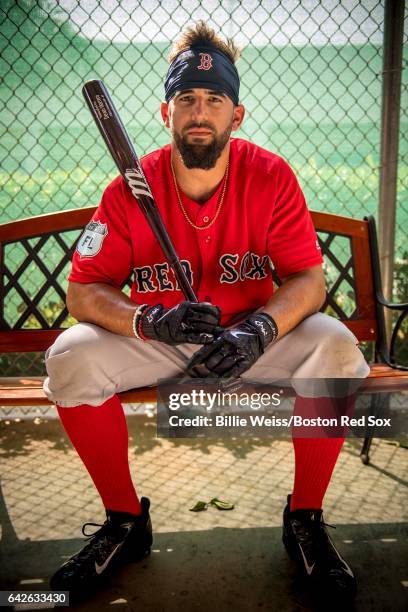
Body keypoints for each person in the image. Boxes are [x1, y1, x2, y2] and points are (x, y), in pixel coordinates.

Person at [43, 21, 369, 605]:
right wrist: (148, 319)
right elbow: (84, 292)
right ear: (166, 110)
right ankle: (124, 522)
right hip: (164, 340)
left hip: (252, 339)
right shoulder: (129, 188)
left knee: (337, 347)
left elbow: (308, 279)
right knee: (70, 358)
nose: (200, 111)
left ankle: (306, 522)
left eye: (214, 100)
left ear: (235, 116)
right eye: (187, 99)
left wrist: (262, 326)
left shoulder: (270, 176)